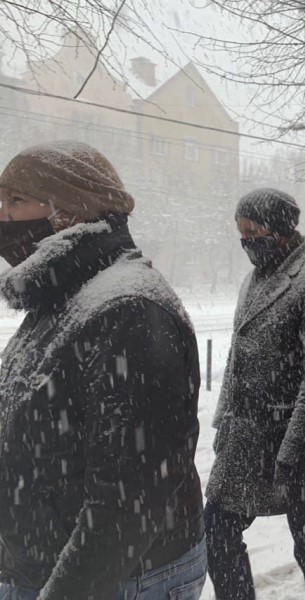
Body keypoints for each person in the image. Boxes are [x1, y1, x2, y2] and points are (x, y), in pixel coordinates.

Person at [0, 141, 206, 598]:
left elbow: (131, 499)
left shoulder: (129, 310)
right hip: (43, 566)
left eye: (15, 200)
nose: (3, 215)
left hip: (119, 579)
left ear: (67, 212)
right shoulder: (62, 295)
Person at [205, 188, 305, 600]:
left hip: (300, 440)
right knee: (216, 528)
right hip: (247, 437)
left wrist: (292, 449)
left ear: (281, 230)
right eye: (241, 233)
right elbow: (237, 354)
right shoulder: (256, 276)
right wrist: (223, 423)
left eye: (253, 232)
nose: (246, 242)